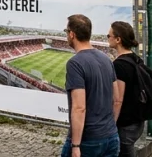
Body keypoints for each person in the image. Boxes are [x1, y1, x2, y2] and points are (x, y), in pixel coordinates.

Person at [62, 14, 120, 157]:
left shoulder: (75, 63)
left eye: (66, 32)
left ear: (72, 34)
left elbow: (79, 107)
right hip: (111, 136)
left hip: (88, 140)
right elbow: (117, 99)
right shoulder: (106, 59)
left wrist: (75, 146)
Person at [109, 21, 144, 157]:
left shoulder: (119, 65)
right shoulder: (136, 59)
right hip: (137, 121)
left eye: (109, 35)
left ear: (118, 39)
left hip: (125, 124)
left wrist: (111, 125)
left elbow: (118, 100)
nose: (107, 38)